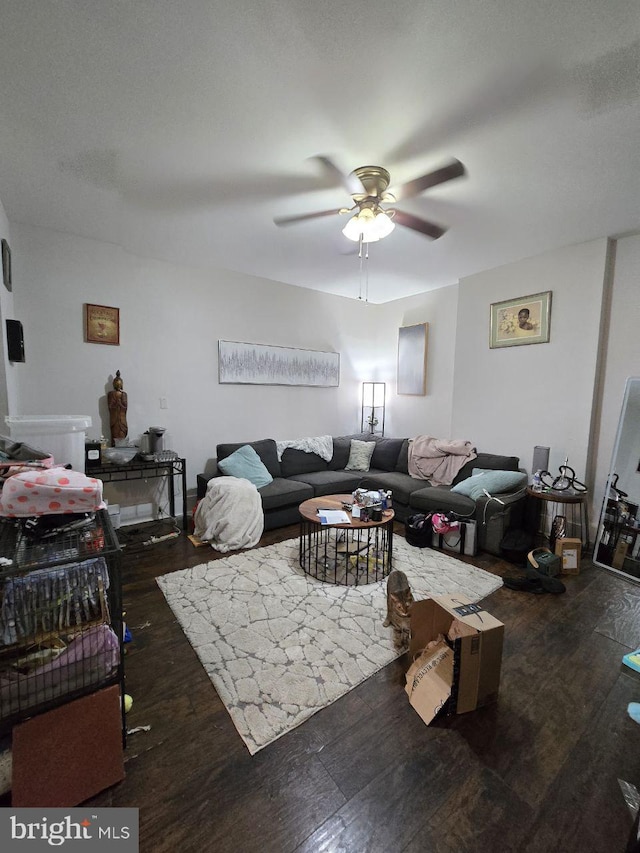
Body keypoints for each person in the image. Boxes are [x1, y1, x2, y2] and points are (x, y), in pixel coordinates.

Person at [108, 370, 128, 444]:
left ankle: (122, 446)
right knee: (115, 433)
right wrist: (116, 404)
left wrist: (120, 404)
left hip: (122, 418)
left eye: (119, 384)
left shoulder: (124, 394)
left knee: (122, 433)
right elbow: (110, 407)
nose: (118, 385)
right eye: (116, 384)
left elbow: (125, 407)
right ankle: (114, 445)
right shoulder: (111, 394)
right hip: (114, 418)